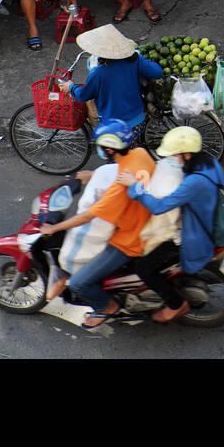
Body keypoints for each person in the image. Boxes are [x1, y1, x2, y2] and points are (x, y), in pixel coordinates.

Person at [39, 120, 156, 327]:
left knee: (78, 283)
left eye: (102, 148)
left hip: (130, 239)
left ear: (110, 149)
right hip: (146, 219)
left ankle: (106, 306)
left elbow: (87, 216)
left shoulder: (119, 188)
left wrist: (54, 228)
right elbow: (120, 172)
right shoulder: (140, 154)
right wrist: (92, 176)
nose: (101, 151)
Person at [117, 126, 224, 324]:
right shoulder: (209, 162)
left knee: (143, 268)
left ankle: (175, 304)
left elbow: (159, 207)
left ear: (186, 154)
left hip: (191, 236)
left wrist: (135, 186)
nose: (174, 159)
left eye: (176, 155)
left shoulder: (193, 182)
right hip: (209, 220)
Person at [69, 24, 163, 131]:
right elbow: (157, 72)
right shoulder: (134, 60)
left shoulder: (98, 73)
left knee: (108, 147)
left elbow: (83, 95)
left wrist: (71, 87)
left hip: (114, 127)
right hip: (138, 121)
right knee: (135, 148)